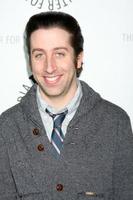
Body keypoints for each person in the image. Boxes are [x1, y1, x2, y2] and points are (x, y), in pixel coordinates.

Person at [0, 11, 133, 200]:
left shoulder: (116, 122)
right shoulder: (6, 127)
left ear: (78, 58)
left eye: (59, 54)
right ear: (30, 61)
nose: (49, 67)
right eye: (39, 55)